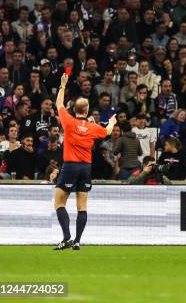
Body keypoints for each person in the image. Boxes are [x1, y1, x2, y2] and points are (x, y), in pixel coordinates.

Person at [54, 72, 117, 251]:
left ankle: (66, 237)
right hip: (86, 168)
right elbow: (108, 131)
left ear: (74, 110)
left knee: (59, 203)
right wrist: (112, 121)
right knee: (82, 206)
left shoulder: (69, 122)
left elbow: (58, 103)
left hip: (70, 166)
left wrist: (63, 85)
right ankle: (77, 241)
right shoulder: (92, 127)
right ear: (87, 111)